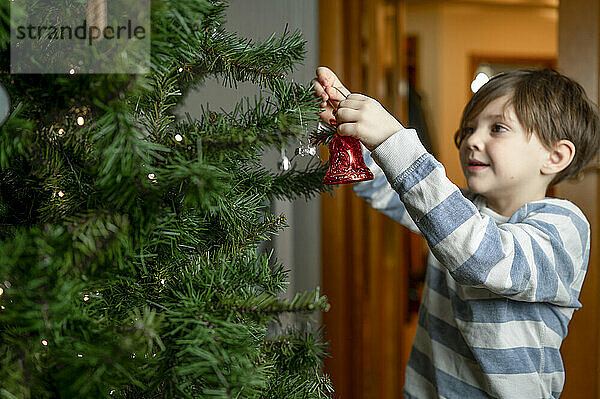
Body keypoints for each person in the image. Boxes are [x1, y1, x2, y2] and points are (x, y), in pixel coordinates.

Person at [312, 66, 599, 398]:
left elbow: (480, 256)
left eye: (498, 128)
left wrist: (393, 139)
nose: (473, 141)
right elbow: (384, 187)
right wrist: (347, 125)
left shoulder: (563, 227)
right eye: (470, 129)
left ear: (555, 156)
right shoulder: (462, 208)